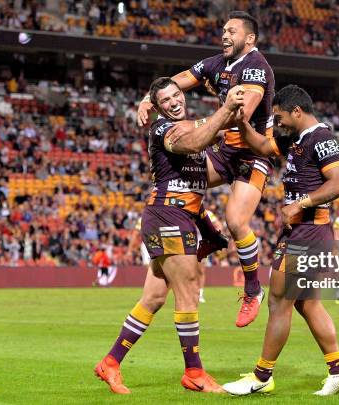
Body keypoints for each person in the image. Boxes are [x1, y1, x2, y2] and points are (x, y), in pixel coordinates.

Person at [94, 78, 244, 394]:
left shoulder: (192, 133)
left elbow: (200, 185)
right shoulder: (163, 130)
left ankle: (110, 363)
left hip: (175, 216)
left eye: (177, 95)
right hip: (168, 216)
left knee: (153, 297)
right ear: (159, 107)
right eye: (166, 99)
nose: (174, 101)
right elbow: (192, 143)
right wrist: (225, 111)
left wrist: (210, 228)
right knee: (188, 292)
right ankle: (194, 372)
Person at [138, 11, 274, 327]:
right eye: (223, 30)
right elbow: (179, 80)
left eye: (232, 31)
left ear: (249, 39)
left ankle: (253, 289)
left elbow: (244, 110)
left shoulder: (256, 68)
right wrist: (148, 98)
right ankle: (210, 238)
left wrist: (195, 123)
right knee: (185, 180)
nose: (224, 35)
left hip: (252, 154)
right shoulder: (217, 64)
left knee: (237, 221)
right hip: (224, 151)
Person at [223, 85, 339, 396]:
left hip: (309, 230)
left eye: (280, 117)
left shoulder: (321, 138)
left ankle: (262, 376)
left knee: (279, 302)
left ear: (298, 111)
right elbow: (261, 146)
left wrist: (301, 203)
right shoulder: (295, 139)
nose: (278, 123)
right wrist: (242, 122)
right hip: (303, 232)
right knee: (306, 303)